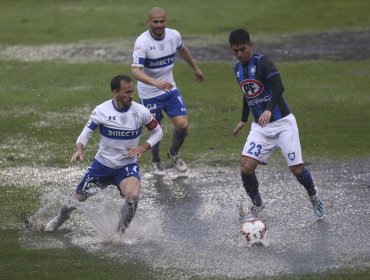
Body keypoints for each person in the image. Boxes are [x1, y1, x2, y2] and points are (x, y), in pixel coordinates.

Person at [33, 75, 163, 232]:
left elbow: (158, 132)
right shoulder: (101, 111)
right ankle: (57, 221)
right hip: (101, 166)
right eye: (127, 92)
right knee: (75, 200)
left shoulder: (141, 111)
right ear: (115, 92)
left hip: (126, 167)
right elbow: (86, 133)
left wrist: (143, 147)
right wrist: (80, 149)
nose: (131, 96)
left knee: (133, 196)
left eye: (132, 92)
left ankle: (118, 235)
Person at [228, 29, 324, 218]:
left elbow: (279, 87)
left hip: (282, 123)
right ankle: (257, 204)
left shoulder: (263, 62)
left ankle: (314, 195)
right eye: (235, 51)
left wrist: (269, 109)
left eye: (242, 49)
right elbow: (248, 94)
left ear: (250, 45)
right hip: (260, 127)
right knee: (246, 168)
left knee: (296, 170)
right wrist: (243, 119)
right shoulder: (237, 69)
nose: (239, 54)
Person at [131, 7, 204, 176]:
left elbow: (183, 50)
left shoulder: (174, 35)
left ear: (166, 20)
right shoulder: (142, 42)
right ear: (148, 22)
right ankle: (156, 160)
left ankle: (173, 153)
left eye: (162, 21)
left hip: (170, 88)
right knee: (155, 130)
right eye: (155, 22)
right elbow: (135, 71)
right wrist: (155, 83)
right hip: (150, 93)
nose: (159, 25)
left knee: (183, 124)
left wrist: (195, 68)